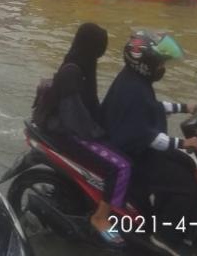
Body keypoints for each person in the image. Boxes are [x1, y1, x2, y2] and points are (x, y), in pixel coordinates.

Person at [100, 30, 197, 255]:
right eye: (160, 64)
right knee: (184, 185)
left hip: (140, 146)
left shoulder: (135, 81)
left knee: (187, 164)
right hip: (133, 152)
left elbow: (152, 107)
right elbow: (147, 137)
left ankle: (169, 220)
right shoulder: (133, 89)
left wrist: (184, 107)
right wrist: (182, 143)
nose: (162, 68)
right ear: (145, 65)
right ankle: (165, 238)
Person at [31, 23, 129, 246]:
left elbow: (91, 104)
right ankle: (100, 217)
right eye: (100, 46)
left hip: (73, 128)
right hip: (64, 133)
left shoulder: (85, 65)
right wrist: (98, 134)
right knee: (120, 166)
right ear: (92, 46)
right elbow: (74, 116)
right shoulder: (72, 71)